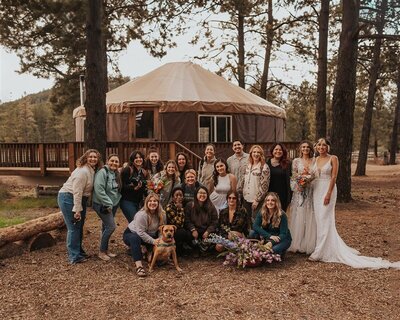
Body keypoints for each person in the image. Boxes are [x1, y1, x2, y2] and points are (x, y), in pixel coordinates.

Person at [309, 138, 400, 269]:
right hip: (316, 190)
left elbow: (334, 177)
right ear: (316, 147)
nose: (321, 147)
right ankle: (323, 247)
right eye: (319, 145)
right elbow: (313, 176)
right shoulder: (315, 159)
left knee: (325, 218)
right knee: (319, 220)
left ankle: (319, 252)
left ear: (328, 147)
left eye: (324, 145)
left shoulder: (333, 158)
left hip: (327, 189)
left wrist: (328, 193)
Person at [57, 149, 102, 264]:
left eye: (95, 157)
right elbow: (77, 192)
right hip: (68, 197)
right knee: (73, 227)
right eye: (90, 157)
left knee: (79, 226)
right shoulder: (82, 172)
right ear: (85, 158)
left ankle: (79, 251)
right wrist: (77, 210)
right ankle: (74, 256)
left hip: (80, 199)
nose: (93, 159)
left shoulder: (91, 170)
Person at [123, 194, 166, 277]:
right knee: (135, 238)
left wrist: (160, 239)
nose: (152, 203)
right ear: (146, 203)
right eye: (150, 201)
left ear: (158, 203)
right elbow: (140, 233)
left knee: (157, 259)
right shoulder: (141, 215)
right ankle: (139, 266)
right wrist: (153, 241)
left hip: (150, 234)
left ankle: (145, 251)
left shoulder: (162, 214)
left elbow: (161, 229)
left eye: (155, 201)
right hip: (132, 233)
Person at [288, 141, 317, 254]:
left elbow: (315, 175)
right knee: (299, 214)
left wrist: (308, 179)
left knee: (309, 214)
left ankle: (308, 243)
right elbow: (294, 175)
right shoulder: (296, 161)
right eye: (303, 147)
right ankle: (297, 243)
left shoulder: (314, 160)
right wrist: (299, 184)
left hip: (311, 190)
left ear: (310, 149)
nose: (305, 149)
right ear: (300, 149)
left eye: (307, 147)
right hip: (299, 191)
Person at [92, 154, 122, 261]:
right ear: (107, 161)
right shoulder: (102, 172)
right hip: (102, 204)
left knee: (105, 227)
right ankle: (101, 252)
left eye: (116, 161)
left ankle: (105, 250)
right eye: (112, 161)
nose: (114, 163)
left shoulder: (115, 173)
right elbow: (99, 190)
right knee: (111, 227)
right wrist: (109, 203)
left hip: (112, 204)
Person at [238, 145, 270, 221]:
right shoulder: (247, 166)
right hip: (246, 199)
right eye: (254, 152)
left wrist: (257, 200)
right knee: (246, 221)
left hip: (256, 200)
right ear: (251, 153)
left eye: (258, 152)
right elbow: (243, 182)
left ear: (261, 154)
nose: (256, 154)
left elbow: (264, 186)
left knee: (256, 221)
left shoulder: (264, 167)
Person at [185, 186, 218, 253]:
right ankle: (195, 249)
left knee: (214, 235)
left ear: (207, 195)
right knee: (187, 234)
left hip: (206, 230)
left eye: (204, 193)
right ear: (196, 194)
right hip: (195, 230)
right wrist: (193, 229)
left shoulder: (211, 206)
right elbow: (187, 220)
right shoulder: (190, 205)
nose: (202, 195)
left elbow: (215, 221)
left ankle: (205, 248)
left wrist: (208, 231)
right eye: (200, 193)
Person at [120, 150, 148, 223]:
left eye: (140, 157)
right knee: (134, 222)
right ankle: (128, 234)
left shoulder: (144, 172)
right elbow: (121, 186)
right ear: (132, 160)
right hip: (127, 201)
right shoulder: (128, 170)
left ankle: (129, 234)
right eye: (136, 158)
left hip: (139, 202)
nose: (139, 159)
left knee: (138, 223)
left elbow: (145, 188)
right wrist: (134, 188)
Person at [165, 187, 192, 255]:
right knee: (182, 232)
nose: (179, 197)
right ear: (173, 197)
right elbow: (178, 224)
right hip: (173, 230)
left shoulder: (185, 205)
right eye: (176, 195)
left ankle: (185, 247)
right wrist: (179, 209)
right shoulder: (169, 207)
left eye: (181, 195)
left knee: (189, 233)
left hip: (182, 227)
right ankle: (175, 251)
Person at [267, 143, 292, 211]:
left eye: (280, 150)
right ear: (272, 151)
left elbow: (292, 178)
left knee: (280, 214)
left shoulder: (288, 164)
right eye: (276, 149)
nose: (278, 151)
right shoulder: (266, 163)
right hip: (269, 194)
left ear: (283, 152)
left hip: (283, 195)